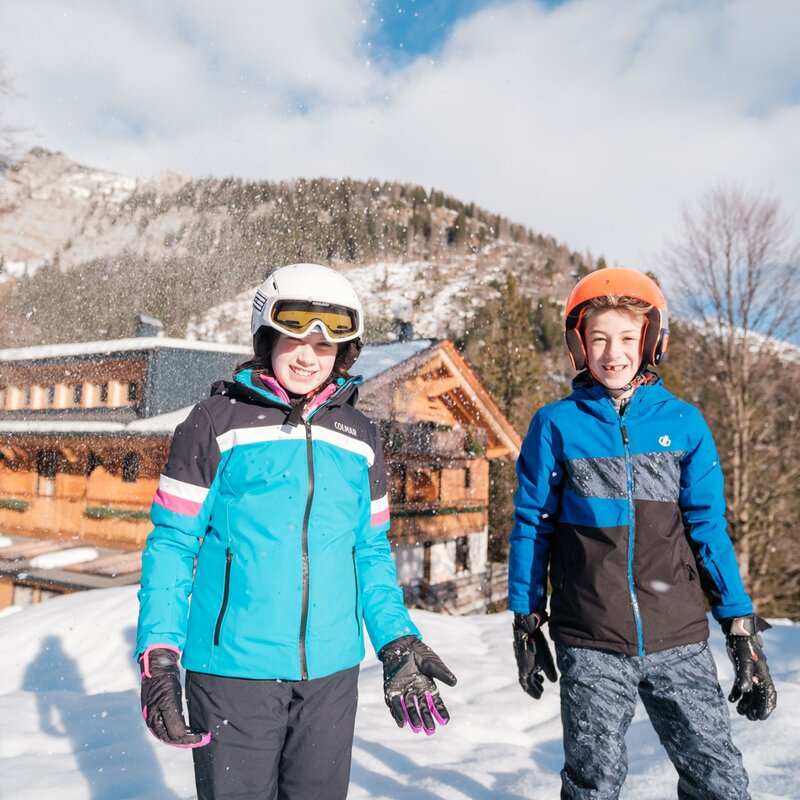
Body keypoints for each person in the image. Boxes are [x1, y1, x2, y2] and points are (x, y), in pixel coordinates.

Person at [136, 263, 457, 800]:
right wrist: (159, 654)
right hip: (232, 671)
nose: (309, 356)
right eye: (295, 339)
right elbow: (172, 542)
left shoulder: (360, 435)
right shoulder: (215, 422)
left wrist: (396, 639)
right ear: (266, 337)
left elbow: (369, 550)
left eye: (326, 344)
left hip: (330, 676)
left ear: (346, 351)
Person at [508, 267, 777, 799]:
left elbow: (706, 528)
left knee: (717, 776)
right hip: (591, 638)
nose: (614, 352)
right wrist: (525, 616)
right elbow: (532, 524)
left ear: (652, 341)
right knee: (594, 782)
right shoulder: (556, 425)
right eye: (599, 338)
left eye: (629, 337)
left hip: (678, 634)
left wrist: (739, 625)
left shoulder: (684, 423)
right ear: (578, 344)